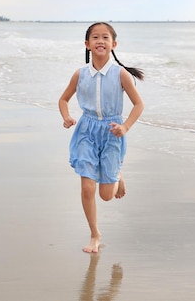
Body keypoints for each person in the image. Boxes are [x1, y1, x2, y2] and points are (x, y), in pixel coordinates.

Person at [59, 22, 145, 253]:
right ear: (87, 44)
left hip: (112, 131)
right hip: (86, 131)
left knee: (106, 195)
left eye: (105, 37)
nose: (100, 40)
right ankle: (95, 234)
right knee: (87, 188)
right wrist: (67, 117)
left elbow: (139, 104)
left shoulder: (120, 74)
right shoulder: (80, 74)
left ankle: (117, 173)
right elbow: (63, 99)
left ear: (113, 44)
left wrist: (125, 127)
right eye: (95, 37)